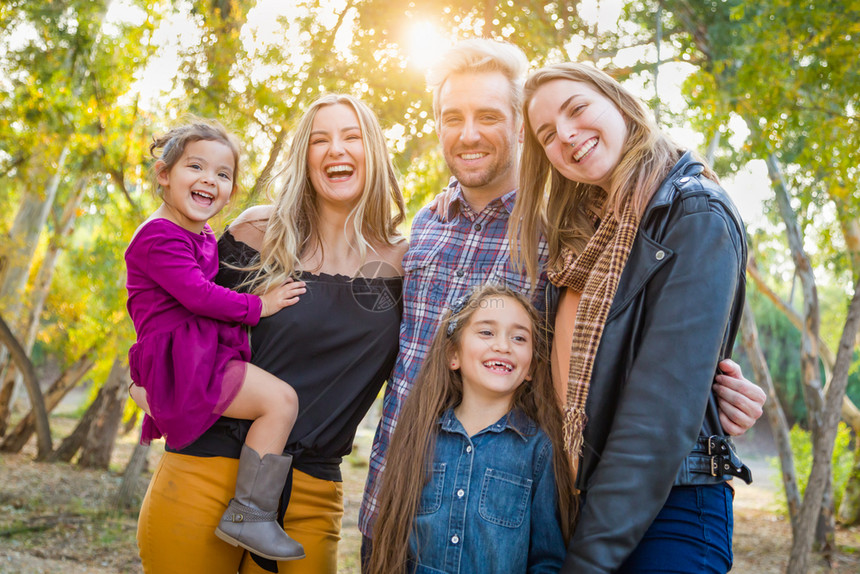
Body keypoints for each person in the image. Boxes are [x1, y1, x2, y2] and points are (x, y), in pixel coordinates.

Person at [359, 38, 766, 566]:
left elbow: (651, 364)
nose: (469, 132)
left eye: (489, 115)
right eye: (451, 117)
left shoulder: (565, 234)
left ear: (518, 133)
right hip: (394, 499)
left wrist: (709, 395)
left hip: (510, 518)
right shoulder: (428, 226)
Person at [135, 95, 408, 574]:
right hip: (206, 466)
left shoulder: (409, 260)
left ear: (376, 152)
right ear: (304, 156)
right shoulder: (256, 231)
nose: (335, 150)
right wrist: (145, 382)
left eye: (351, 136)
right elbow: (173, 312)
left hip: (312, 487)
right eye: (319, 139)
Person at [511, 61, 752, 573]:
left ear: (619, 102)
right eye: (548, 134)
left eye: (577, 109)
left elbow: (658, 413)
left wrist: (590, 561)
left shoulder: (695, 214)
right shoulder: (577, 243)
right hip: (581, 502)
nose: (567, 135)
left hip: (673, 508)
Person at [125, 118, 306, 561]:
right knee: (280, 402)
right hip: (183, 360)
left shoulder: (201, 234)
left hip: (192, 354)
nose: (210, 179)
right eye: (196, 167)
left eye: (223, 175)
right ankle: (250, 514)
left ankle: (247, 508)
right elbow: (198, 294)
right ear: (164, 175)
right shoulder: (157, 234)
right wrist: (260, 306)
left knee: (276, 401)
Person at [369, 284, 574, 573]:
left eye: (518, 337)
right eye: (487, 332)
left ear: (530, 368)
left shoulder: (539, 450)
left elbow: (548, 558)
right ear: (453, 354)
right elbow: (395, 543)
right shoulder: (421, 438)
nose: (503, 346)